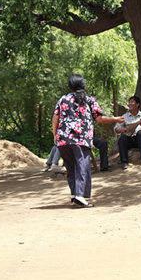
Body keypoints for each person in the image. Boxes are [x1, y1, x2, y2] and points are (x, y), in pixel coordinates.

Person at [52, 74, 123, 207]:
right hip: (81, 139)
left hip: (63, 139)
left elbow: (55, 118)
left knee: (71, 167)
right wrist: (116, 119)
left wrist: (55, 135)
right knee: (82, 166)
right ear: (83, 85)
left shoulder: (63, 99)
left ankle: (74, 194)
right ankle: (81, 196)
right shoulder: (89, 100)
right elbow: (100, 119)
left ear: (70, 86)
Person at [114, 96, 141, 169]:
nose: (129, 104)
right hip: (128, 140)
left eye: (132, 102)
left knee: (140, 132)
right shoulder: (124, 116)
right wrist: (123, 130)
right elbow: (116, 129)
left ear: (137, 104)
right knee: (122, 138)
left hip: (140, 140)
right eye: (129, 102)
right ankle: (124, 162)